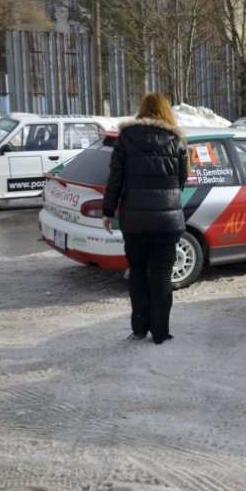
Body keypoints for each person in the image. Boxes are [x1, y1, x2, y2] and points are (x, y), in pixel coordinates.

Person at [102, 92, 188, 345]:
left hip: (135, 219)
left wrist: (108, 211)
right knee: (161, 274)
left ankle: (139, 328)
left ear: (142, 109)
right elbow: (182, 180)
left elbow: (115, 178)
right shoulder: (177, 139)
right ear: (166, 111)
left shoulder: (126, 138)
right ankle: (161, 333)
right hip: (168, 221)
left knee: (138, 272)